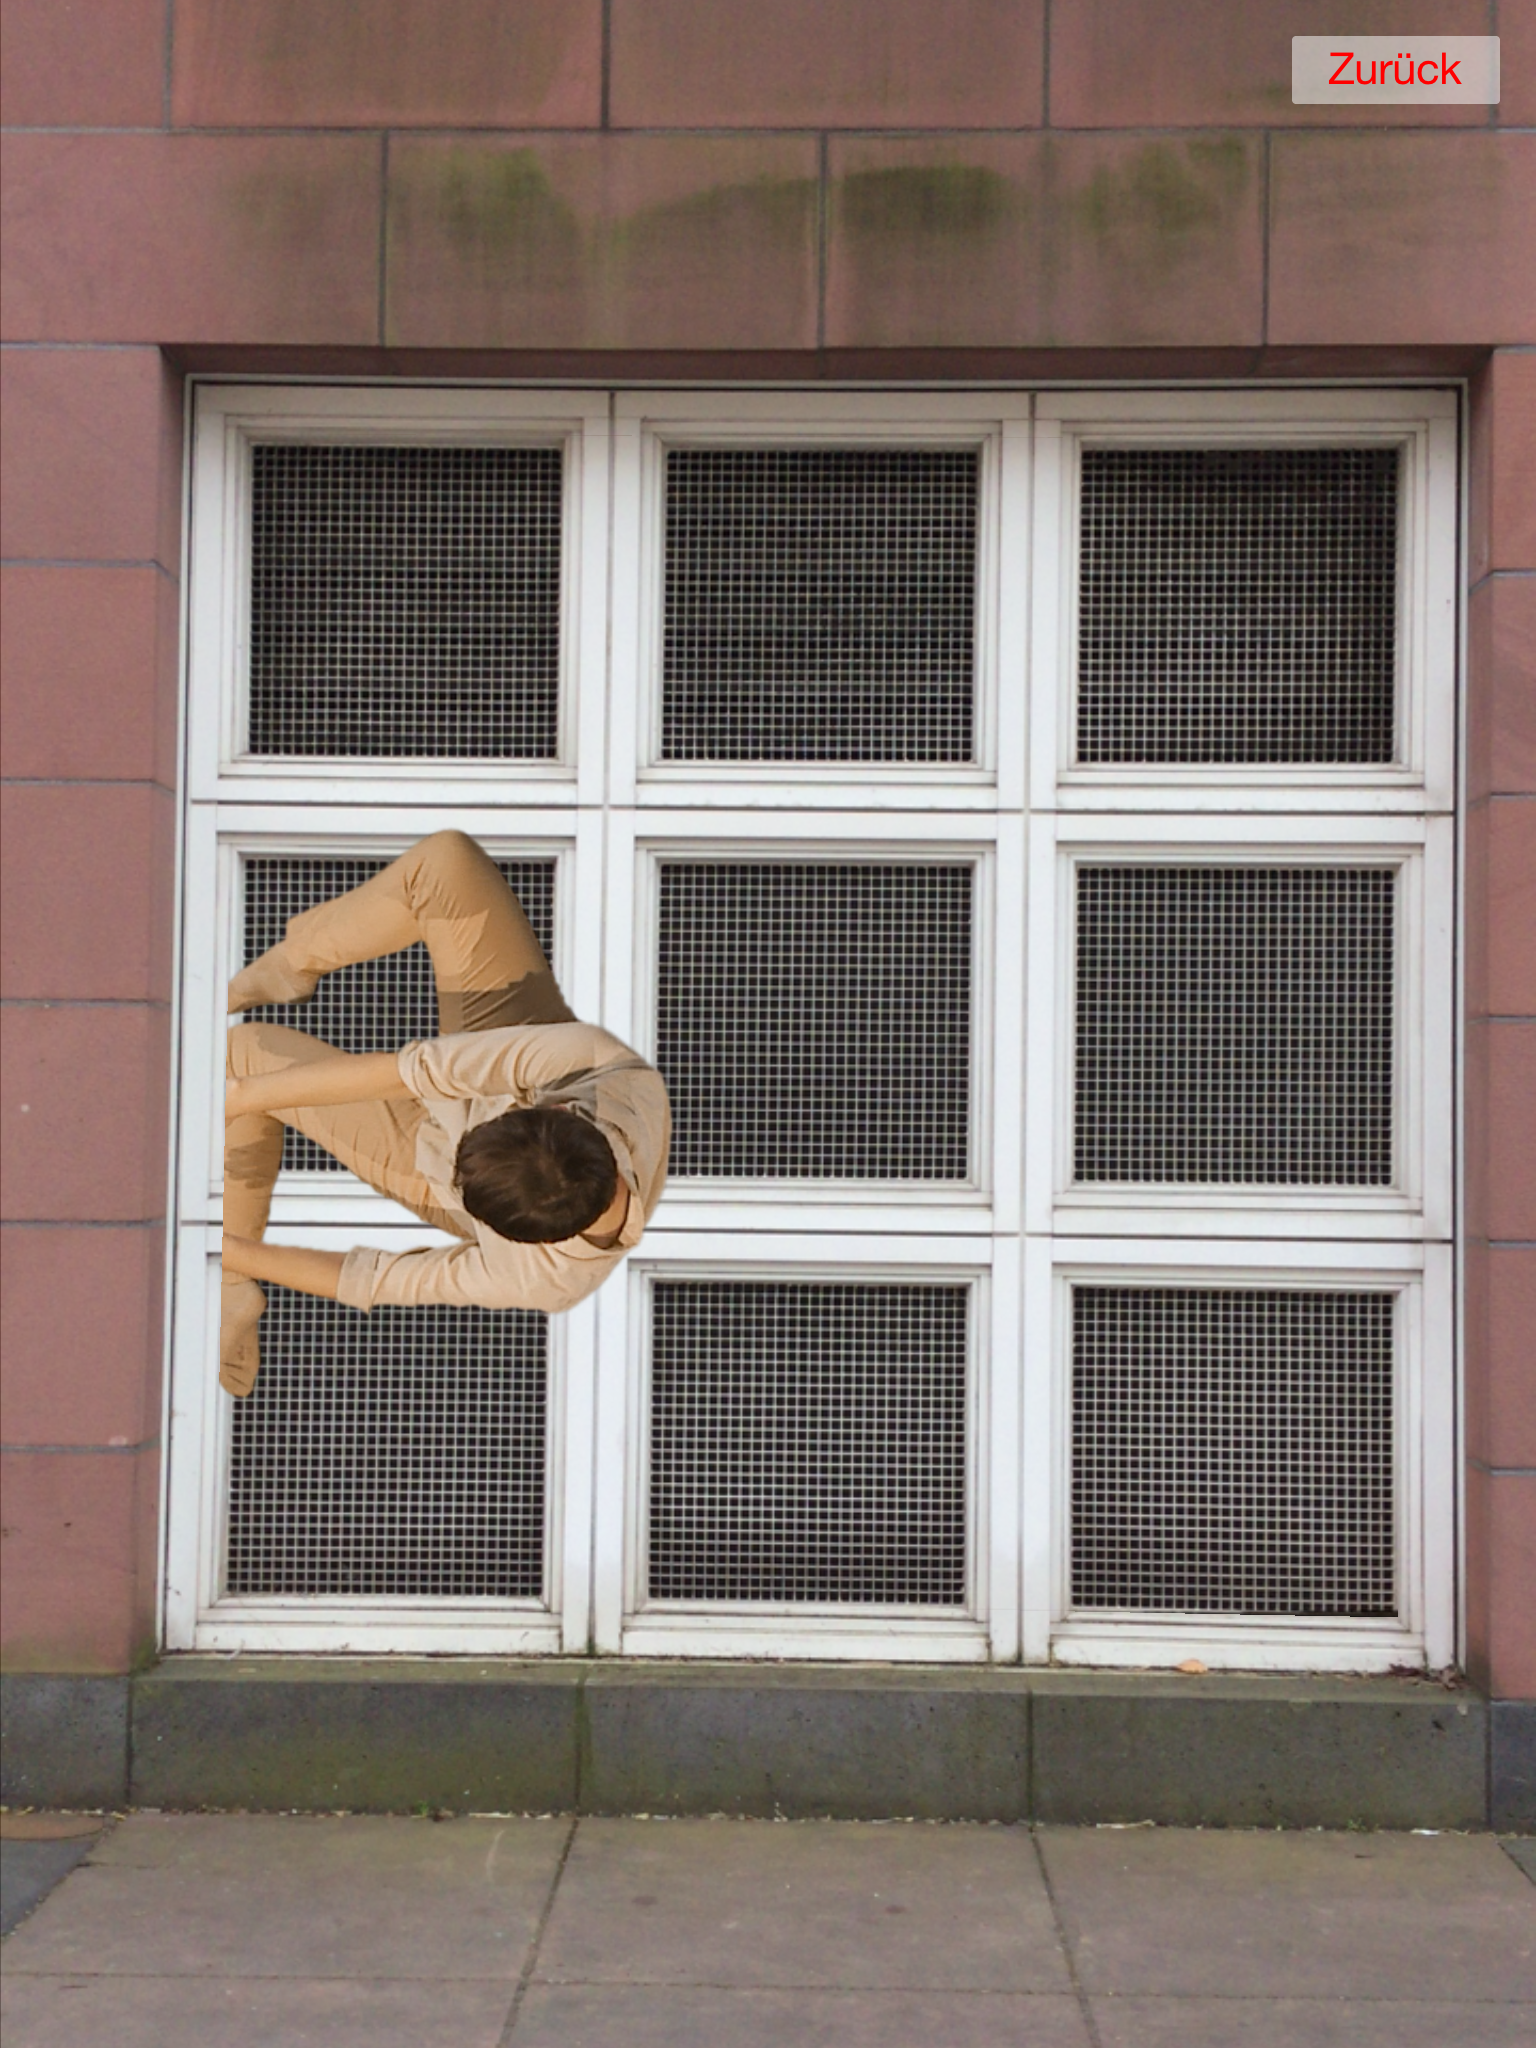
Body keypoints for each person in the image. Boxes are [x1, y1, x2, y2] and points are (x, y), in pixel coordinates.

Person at [221, 830, 671, 1397]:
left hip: (430, 1160)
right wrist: (241, 1102)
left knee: (245, 1058)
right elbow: (419, 1070)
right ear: (557, 1111)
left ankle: (233, 1293)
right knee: (447, 863)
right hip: (515, 1047)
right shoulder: (607, 1072)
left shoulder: (539, 1279)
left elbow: (376, 1279)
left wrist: (224, 1254)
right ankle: (288, 966)